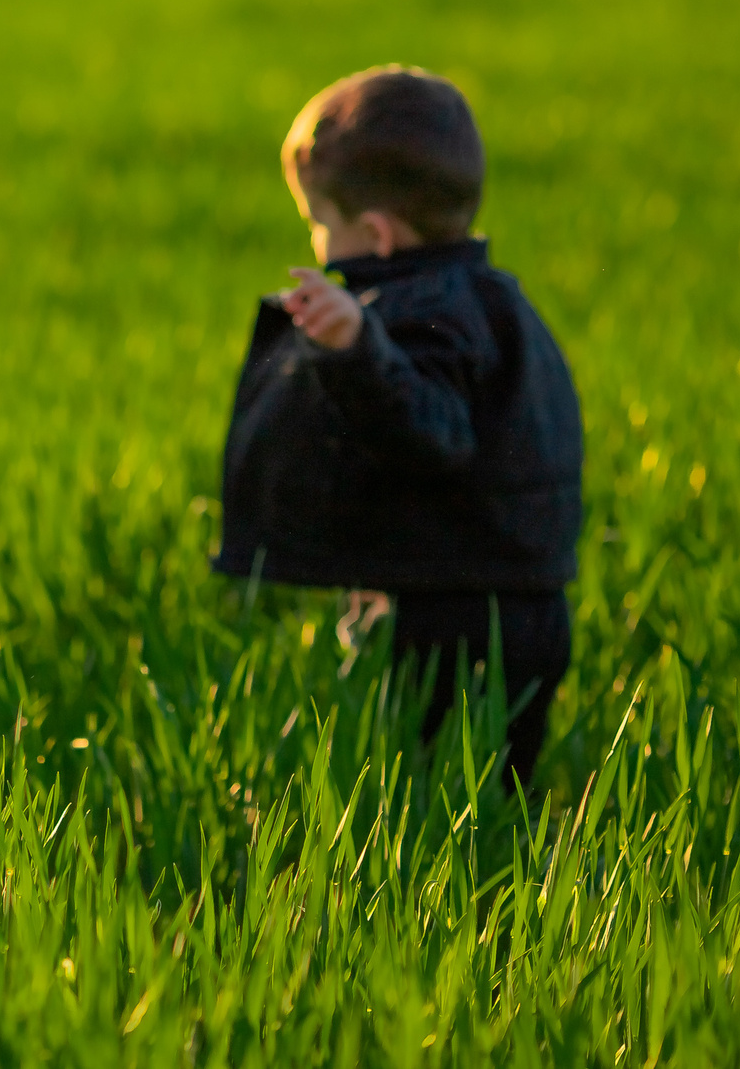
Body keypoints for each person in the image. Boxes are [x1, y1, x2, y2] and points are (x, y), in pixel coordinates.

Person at [214, 66, 584, 789]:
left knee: (421, 798)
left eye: (320, 222)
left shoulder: (424, 316)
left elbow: (432, 432)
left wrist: (357, 347)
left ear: (377, 233)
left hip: (452, 615)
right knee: (489, 797)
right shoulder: (493, 301)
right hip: (516, 597)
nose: (319, 241)